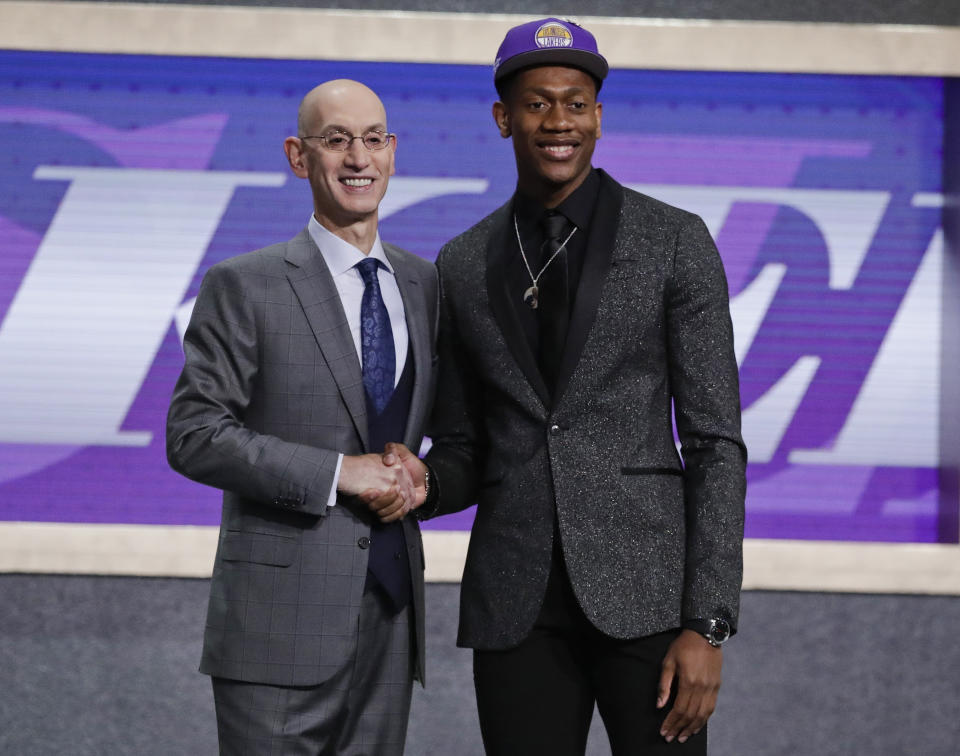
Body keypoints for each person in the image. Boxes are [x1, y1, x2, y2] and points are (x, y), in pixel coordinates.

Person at [379, 17, 746, 755]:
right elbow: (464, 442)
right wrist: (426, 485)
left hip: (646, 601)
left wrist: (707, 622)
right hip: (517, 605)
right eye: (538, 103)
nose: (558, 122)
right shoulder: (464, 261)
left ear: (599, 117)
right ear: (503, 117)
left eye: (576, 104)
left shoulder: (674, 240)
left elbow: (714, 443)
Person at [166, 79, 437, 755]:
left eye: (373, 139)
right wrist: (339, 473)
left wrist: (427, 478)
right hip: (275, 632)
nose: (358, 157)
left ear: (393, 153)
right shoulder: (245, 284)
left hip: (389, 618)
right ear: (298, 156)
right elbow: (194, 432)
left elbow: (442, 431)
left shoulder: (425, 285)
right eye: (336, 139)